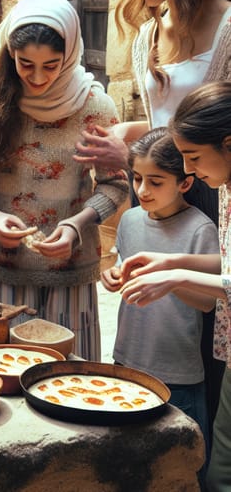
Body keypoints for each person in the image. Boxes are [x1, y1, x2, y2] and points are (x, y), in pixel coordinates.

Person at [73, 0, 231, 425]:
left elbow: (211, 126)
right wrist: (130, 134)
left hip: (214, 191)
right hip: (163, 188)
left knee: (211, 339)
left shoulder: (229, 27)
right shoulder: (145, 37)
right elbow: (167, 122)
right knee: (160, 319)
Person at [0, 0, 128, 360]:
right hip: (4, 265)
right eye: (25, 64)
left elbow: (114, 183)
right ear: (10, 54)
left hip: (70, 268)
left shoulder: (94, 107)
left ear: (70, 54)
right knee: (1, 369)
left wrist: (76, 225)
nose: (37, 77)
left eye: (51, 65)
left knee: (68, 375)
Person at [116, 81, 231, 491]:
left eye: (194, 159)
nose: (192, 172)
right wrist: (172, 263)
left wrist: (177, 275)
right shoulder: (224, 189)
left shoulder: (201, 219)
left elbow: (208, 293)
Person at [101, 128, 217, 459]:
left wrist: (171, 281)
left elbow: (208, 302)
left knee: (181, 464)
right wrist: (114, 276)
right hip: (127, 358)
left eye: (155, 181)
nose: (141, 190)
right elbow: (125, 267)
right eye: (137, 178)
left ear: (185, 183)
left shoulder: (200, 229)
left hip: (177, 372)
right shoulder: (131, 221)